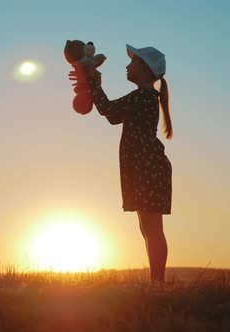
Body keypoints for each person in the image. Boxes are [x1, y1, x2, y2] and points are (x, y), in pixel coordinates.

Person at [69, 44, 173, 284]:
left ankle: (158, 284)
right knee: (148, 229)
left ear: (145, 69)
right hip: (145, 169)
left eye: (133, 62)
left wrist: (94, 82)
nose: (128, 66)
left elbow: (108, 110)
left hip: (148, 169)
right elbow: (114, 116)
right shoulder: (145, 96)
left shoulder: (143, 96)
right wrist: (95, 82)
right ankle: (156, 283)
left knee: (152, 229)